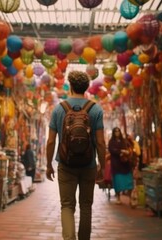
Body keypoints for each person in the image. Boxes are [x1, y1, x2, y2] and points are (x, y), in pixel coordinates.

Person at [46, 70, 106, 240]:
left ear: (70, 86)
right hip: (88, 165)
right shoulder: (95, 110)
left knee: (67, 205)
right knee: (86, 206)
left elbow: (51, 141)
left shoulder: (59, 109)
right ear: (86, 87)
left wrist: (49, 164)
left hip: (65, 165)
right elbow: (101, 142)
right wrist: (102, 165)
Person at [108, 127, 134, 205]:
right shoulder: (111, 141)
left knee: (129, 182)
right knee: (118, 182)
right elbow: (111, 150)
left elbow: (129, 148)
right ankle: (118, 197)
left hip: (125, 164)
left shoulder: (124, 141)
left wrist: (126, 152)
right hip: (116, 165)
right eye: (115, 131)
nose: (117, 133)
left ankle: (130, 199)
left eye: (118, 131)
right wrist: (120, 151)